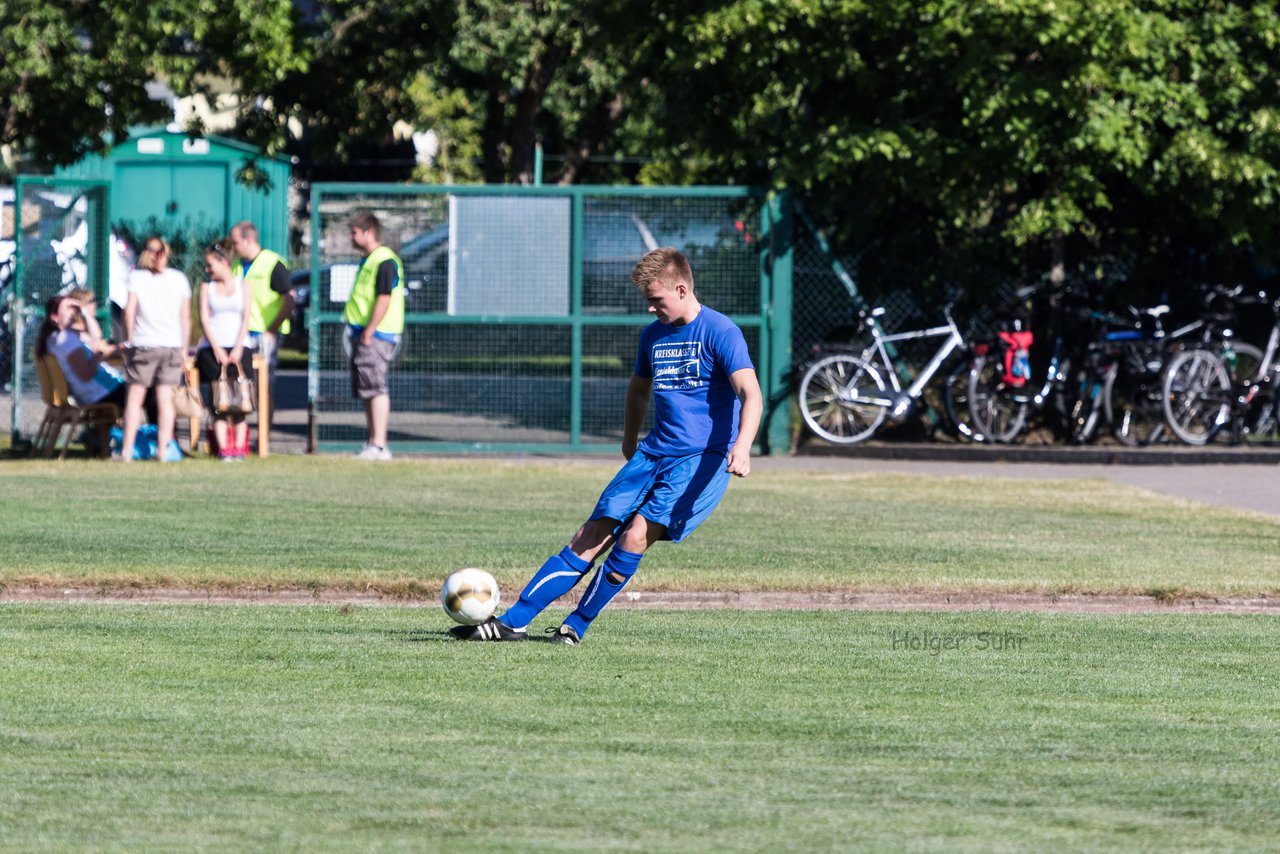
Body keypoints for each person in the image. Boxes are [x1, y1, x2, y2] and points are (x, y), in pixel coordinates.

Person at [452, 247, 763, 644]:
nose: (650, 309)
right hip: (653, 452)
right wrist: (630, 438)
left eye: (656, 300)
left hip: (702, 459)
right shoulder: (652, 336)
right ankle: (512, 622)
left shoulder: (721, 332)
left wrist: (743, 446)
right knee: (591, 532)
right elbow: (638, 389)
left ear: (682, 289)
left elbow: (750, 394)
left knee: (634, 536)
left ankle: (575, 625)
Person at [119, 236, 191, 462]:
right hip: (172, 346)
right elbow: (185, 318)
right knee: (165, 401)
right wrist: (184, 349)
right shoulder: (179, 279)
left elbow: (129, 311)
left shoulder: (137, 277)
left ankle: (127, 451)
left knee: (134, 401)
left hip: (144, 344)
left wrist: (128, 339)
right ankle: (162, 449)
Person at [344, 211, 404, 461]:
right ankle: (373, 441)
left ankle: (379, 445)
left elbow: (384, 297)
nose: (351, 236)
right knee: (367, 388)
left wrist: (369, 331)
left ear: (369, 232)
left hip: (377, 334)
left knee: (376, 387)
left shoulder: (384, 260)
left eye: (354, 231)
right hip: (365, 332)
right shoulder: (369, 259)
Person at [229, 221, 293, 431]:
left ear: (248, 240)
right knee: (238, 385)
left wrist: (271, 330)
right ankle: (239, 434)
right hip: (240, 335)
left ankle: (264, 434)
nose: (232, 246)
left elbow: (289, 299)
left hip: (263, 334)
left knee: (263, 386)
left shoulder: (272, 263)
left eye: (235, 241)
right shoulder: (236, 266)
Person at [196, 239, 254, 461]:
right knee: (218, 401)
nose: (208, 270)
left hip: (239, 347)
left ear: (224, 262)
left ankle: (239, 447)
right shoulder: (206, 288)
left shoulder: (243, 285)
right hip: (213, 348)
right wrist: (217, 348)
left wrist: (238, 346)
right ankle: (223, 449)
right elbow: (204, 318)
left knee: (240, 400)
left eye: (211, 265)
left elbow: (245, 317)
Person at [35, 295, 126, 409]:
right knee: (146, 390)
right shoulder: (66, 340)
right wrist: (98, 354)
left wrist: (85, 313)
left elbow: (96, 337)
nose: (74, 310)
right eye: (69, 307)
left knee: (143, 390)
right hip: (101, 394)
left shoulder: (54, 338)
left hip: (94, 394)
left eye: (75, 307)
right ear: (55, 317)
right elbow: (85, 374)